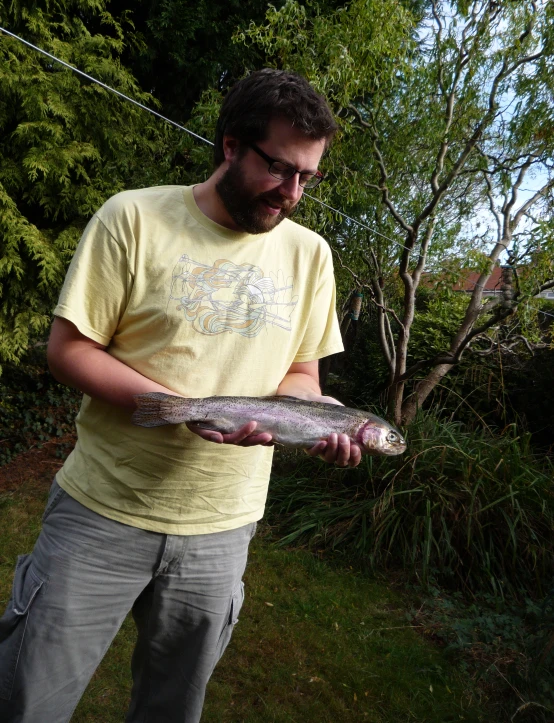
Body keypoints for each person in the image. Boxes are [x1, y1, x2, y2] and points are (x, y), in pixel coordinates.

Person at [0, 68, 361, 722]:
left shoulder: (311, 255)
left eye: (309, 176)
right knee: (27, 700)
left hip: (223, 529)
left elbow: (301, 374)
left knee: (172, 711)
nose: (293, 193)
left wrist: (309, 413)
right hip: (102, 511)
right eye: (281, 169)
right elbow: (69, 348)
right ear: (230, 145)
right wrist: (181, 409)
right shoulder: (134, 217)